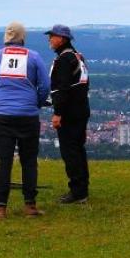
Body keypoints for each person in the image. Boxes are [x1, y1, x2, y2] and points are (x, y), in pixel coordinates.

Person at [0, 21, 50, 218]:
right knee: (28, 161)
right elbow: (44, 86)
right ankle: (30, 206)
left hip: (3, 117)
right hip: (28, 116)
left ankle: (0, 207)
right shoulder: (34, 57)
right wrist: (36, 104)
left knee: (4, 162)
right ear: (23, 38)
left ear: (5, 38)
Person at [45, 24, 90, 203]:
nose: (49, 40)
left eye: (52, 36)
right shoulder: (77, 56)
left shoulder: (64, 59)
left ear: (62, 39)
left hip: (70, 113)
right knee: (78, 150)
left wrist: (58, 113)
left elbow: (62, 88)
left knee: (70, 152)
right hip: (81, 109)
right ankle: (82, 189)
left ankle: (77, 192)